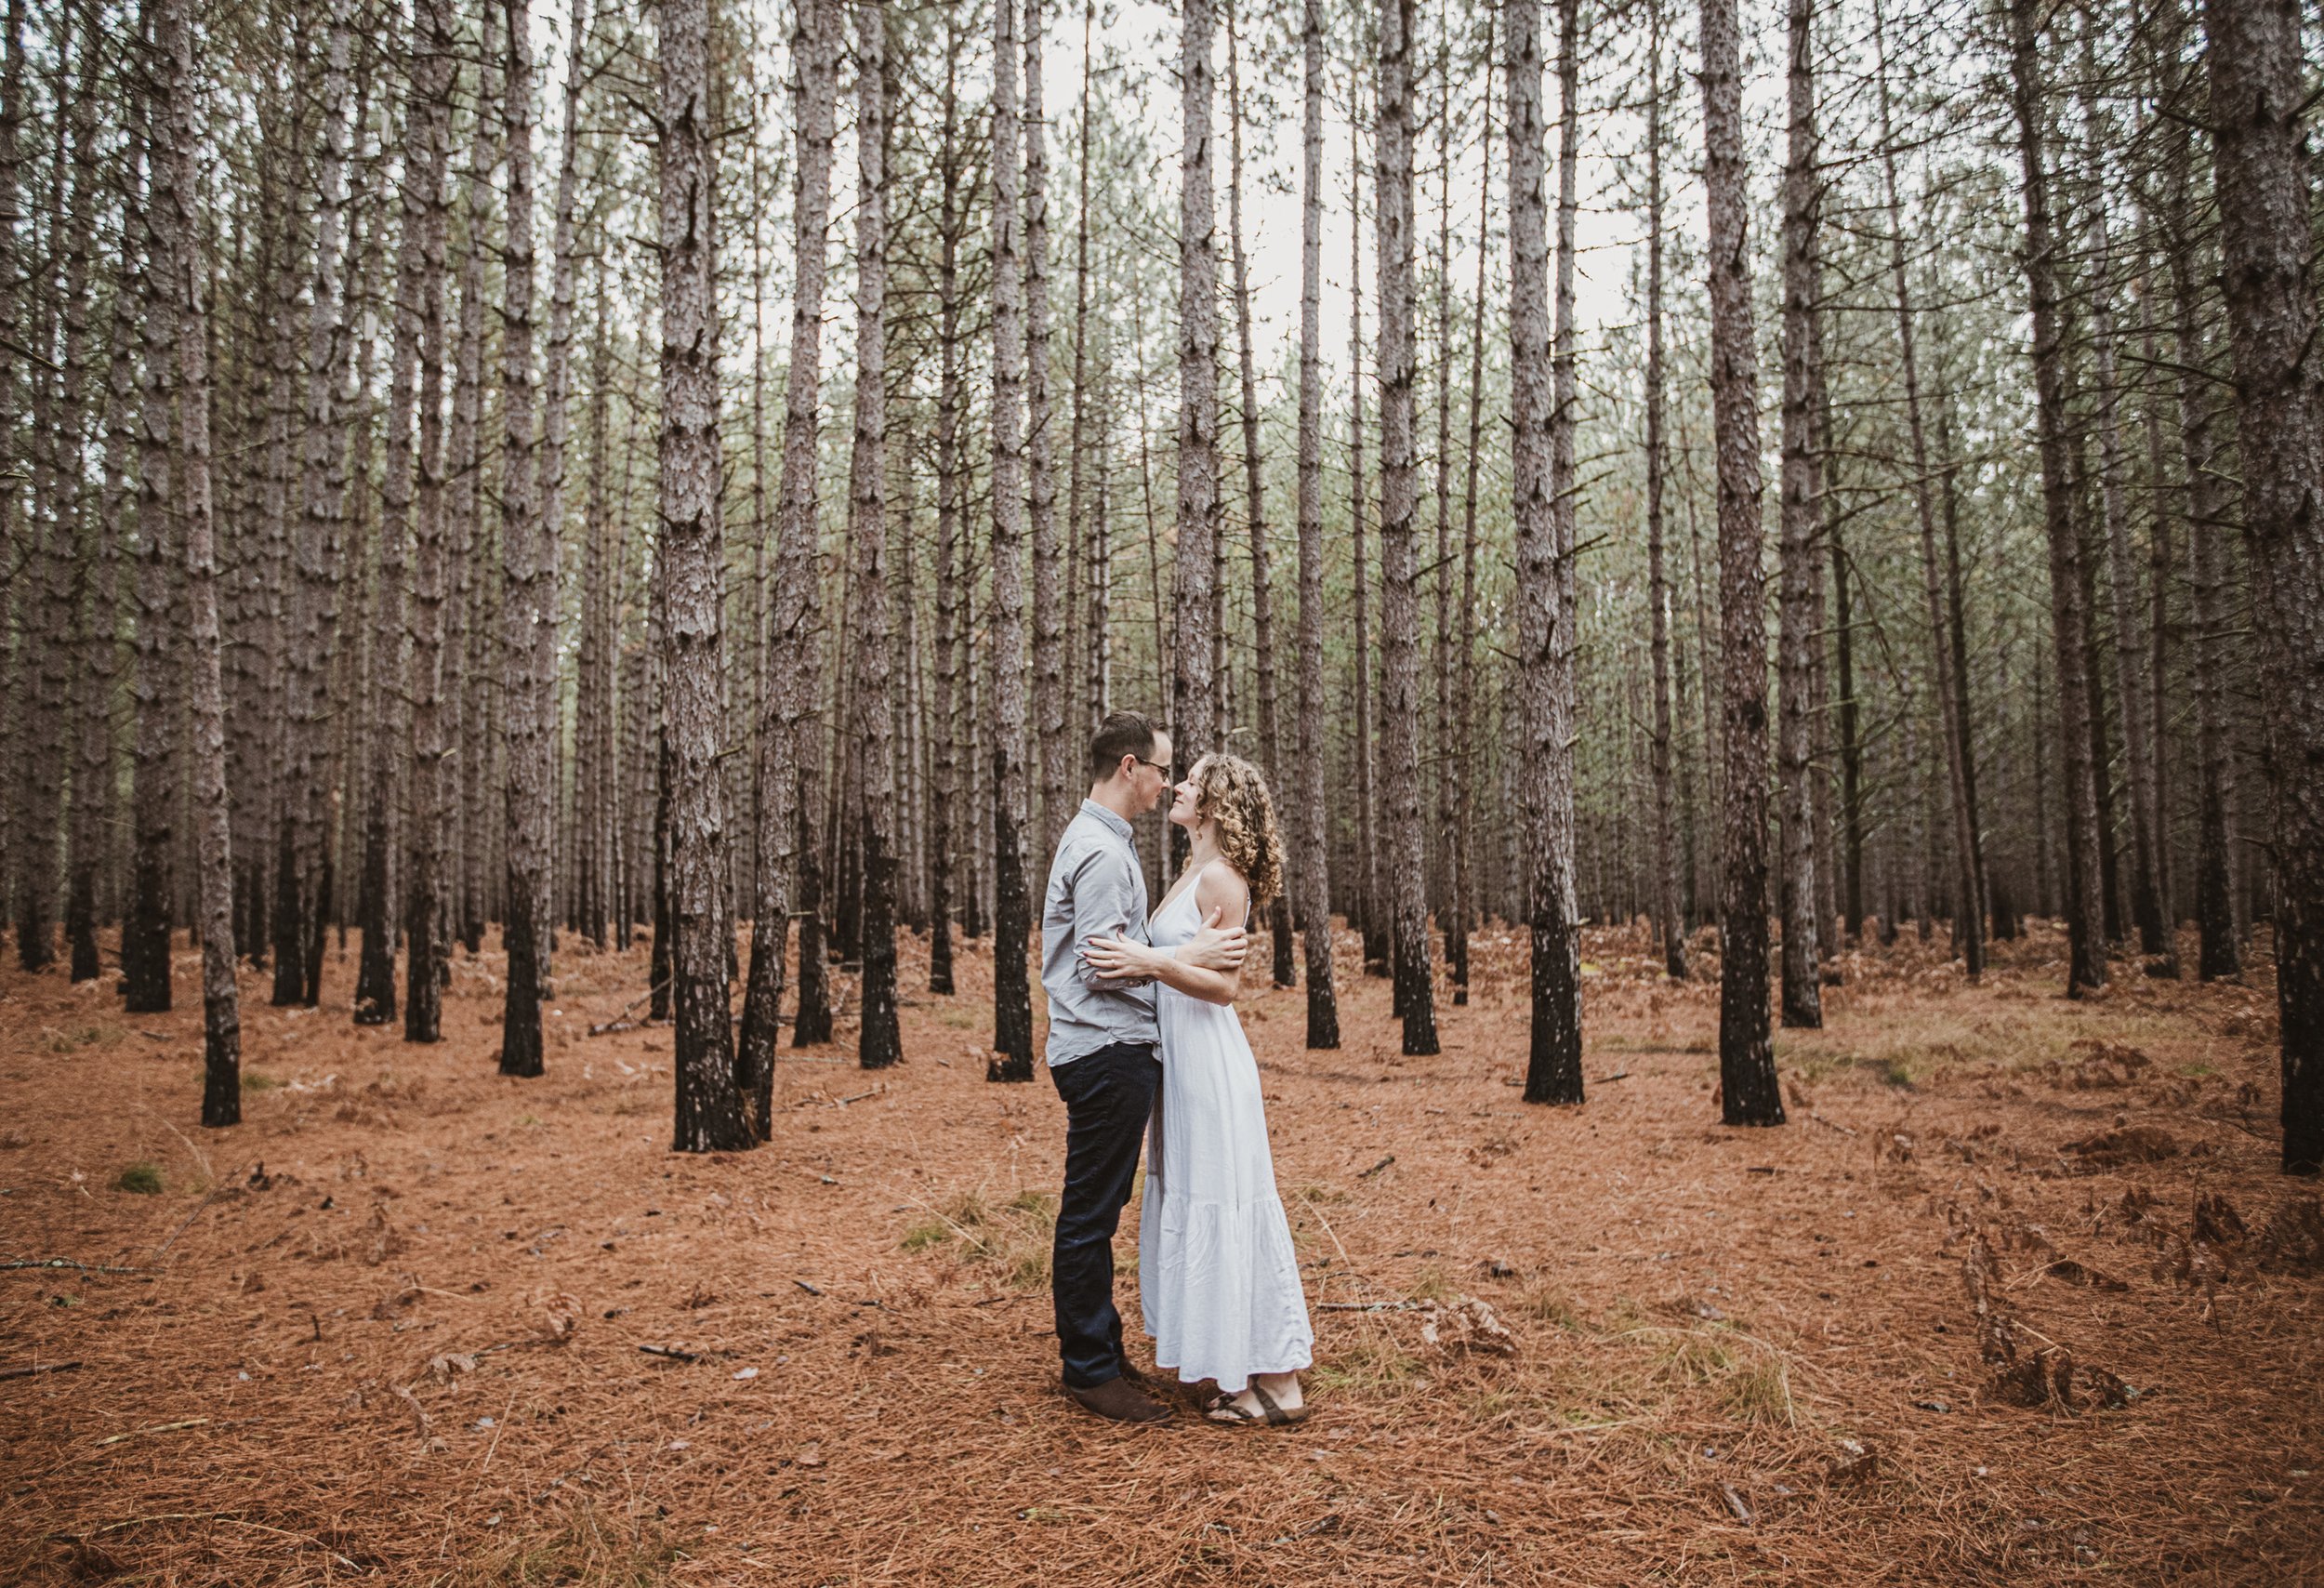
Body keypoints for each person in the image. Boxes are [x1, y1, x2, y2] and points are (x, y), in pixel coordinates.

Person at [1086, 753, 1315, 1427]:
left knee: (1226, 1204)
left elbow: (1224, 987)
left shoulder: (1221, 879)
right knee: (1203, 1199)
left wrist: (1147, 960)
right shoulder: (1193, 871)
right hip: (1182, 1064)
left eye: (1190, 782)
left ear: (1213, 803)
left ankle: (1265, 1386)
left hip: (1211, 1064)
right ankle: (1256, 1373)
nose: (1178, 787)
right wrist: (1152, 960)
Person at [1040, 710, 1249, 1423]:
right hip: (1104, 1049)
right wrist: (1188, 957)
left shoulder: (1105, 841)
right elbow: (1105, 964)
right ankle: (1091, 1370)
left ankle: (1099, 1350)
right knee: (1091, 1214)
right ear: (1130, 767)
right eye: (1162, 767)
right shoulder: (1101, 852)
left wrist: (1168, 959)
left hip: (1111, 1049)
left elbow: (1122, 953)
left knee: (1098, 1208)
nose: (1168, 781)